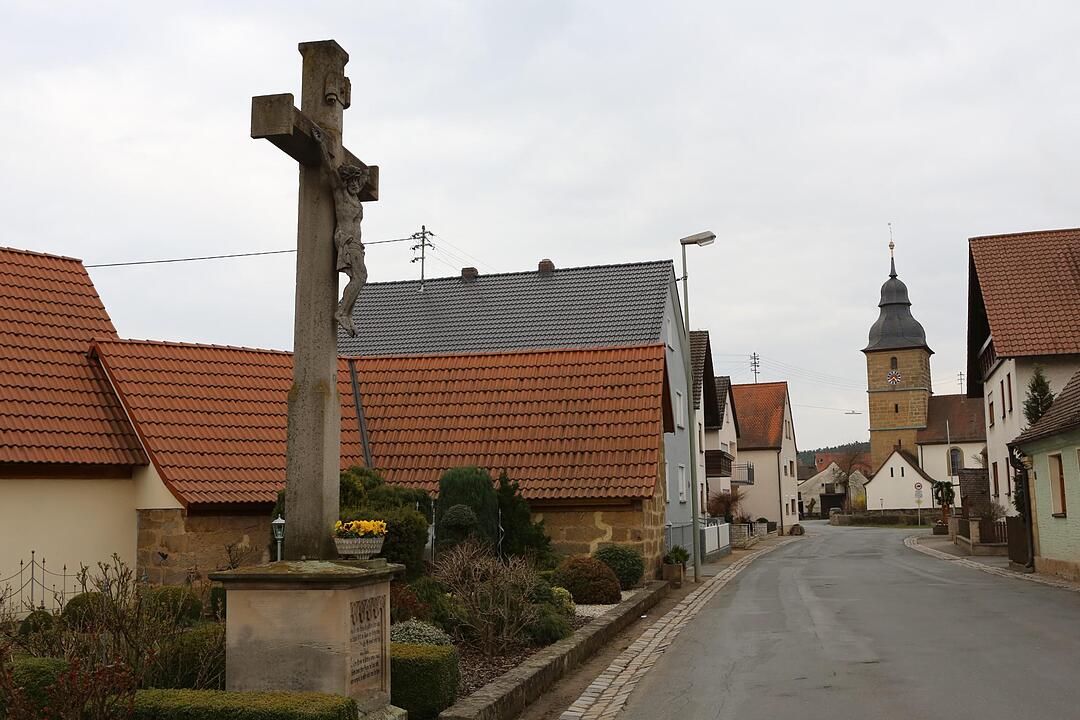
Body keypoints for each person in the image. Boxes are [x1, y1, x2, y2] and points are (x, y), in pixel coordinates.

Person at [313, 125, 370, 336]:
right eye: (353, 182)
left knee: (361, 277)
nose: (356, 186)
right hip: (345, 239)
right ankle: (342, 313)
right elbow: (329, 170)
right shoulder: (341, 194)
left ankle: (346, 312)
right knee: (361, 276)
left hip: (356, 243)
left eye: (359, 183)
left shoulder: (356, 200)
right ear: (346, 181)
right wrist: (320, 145)